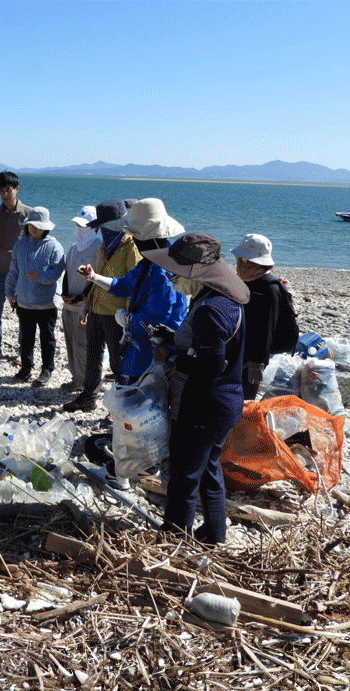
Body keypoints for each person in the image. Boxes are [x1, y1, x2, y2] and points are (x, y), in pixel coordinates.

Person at [142, 233, 250, 545]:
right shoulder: (218, 299)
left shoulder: (211, 310)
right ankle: (214, 534)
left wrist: (171, 356)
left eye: (176, 271)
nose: (171, 275)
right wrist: (174, 336)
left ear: (197, 273)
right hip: (225, 402)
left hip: (203, 404)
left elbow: (210, 367)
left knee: (183, 478)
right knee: (208, 470)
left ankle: (173, 541)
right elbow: (209, 348)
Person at [79, 199, 187, 383]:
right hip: (145, 345)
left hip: (159, 351)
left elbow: (155, 320)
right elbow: (123, 285)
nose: (134, 240)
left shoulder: (163, 272)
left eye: (136, 235)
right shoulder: (148, 263)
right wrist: (94, 277)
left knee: (148, 399)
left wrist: (127, 319)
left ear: (147, 237)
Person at [63, 200, 141, 412]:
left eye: (105, 224)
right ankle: (89, 396)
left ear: (117, 223)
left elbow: (133, 285)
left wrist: (128, 318)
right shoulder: (107, 243)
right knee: (93, 356)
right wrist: (86, 305)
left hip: (116, 314)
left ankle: (121, 406)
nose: (101, 229)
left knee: (118, 363)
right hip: (97, 309)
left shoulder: (130, 246)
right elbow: (97, 278)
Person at [6, 207, 66, 386]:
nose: (34, 229)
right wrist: (9, 292)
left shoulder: (54, 245)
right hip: (23, 301)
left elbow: (58, 271)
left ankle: (47, 369)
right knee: (25, 337)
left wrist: (41, 276)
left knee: (47, 338)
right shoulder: (20, 245)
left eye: (38, 226)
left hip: (47, 302)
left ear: (46, 227)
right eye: (31, 225)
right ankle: (26, 367)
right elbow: (13, 271)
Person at [0, 171, 31, 361]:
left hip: (21, 274)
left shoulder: (28, 213)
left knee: (24, 313)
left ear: (16, 189)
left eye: (8, 189)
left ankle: (23, 351)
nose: (4, 193)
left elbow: (33, 242)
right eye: (0, 190)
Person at [231, 233, 282, 399]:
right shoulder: (247, 282)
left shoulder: (269, 288)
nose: (238, 265)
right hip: (241, 352)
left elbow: (267, 328)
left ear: (258, 265)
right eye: (238, 259)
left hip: (253, 358)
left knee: (245, 400)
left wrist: (257, 361)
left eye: (244, 261)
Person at [60, 206, 99, 392]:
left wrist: (81, 298)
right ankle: (76, 379)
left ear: (93, 227)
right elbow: (67, 273)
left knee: (83, 345)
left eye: (83, 226)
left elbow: (96, 280)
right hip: (69, 305)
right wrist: (65, 294)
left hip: (85, 307)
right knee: (70, 343)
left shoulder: (99, 247)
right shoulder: (74, 247)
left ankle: (86, 383)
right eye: (77, 225)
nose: (79, 229)